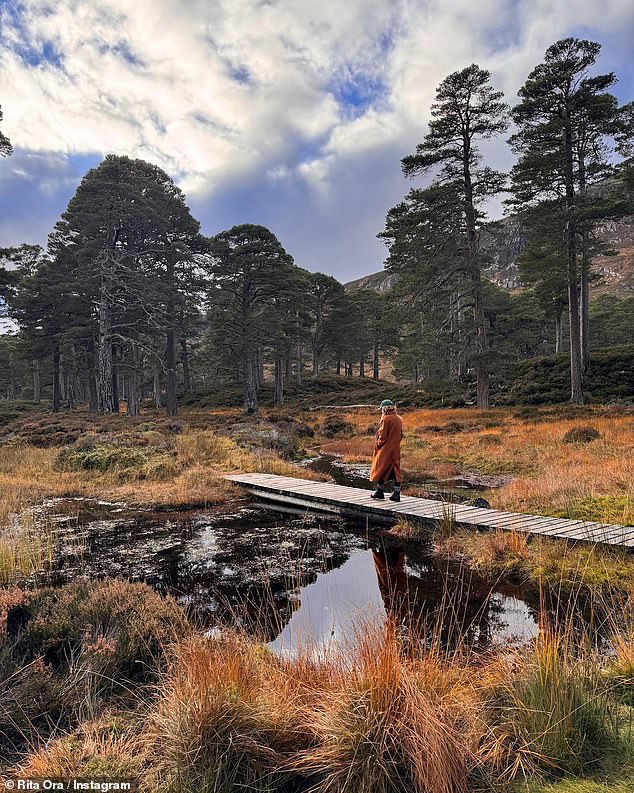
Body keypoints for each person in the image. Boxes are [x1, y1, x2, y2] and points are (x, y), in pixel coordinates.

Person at [369, 399, 403, 502]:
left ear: (384, 408)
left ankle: (380, 492)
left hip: (385, 449)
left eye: (382, 409)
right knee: (395, 470)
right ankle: (396, 494)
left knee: (381, 468)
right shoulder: (399, 418)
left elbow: (382, 436)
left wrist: (378, 445)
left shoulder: (386, 419)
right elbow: (401, 435)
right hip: (395, 448)